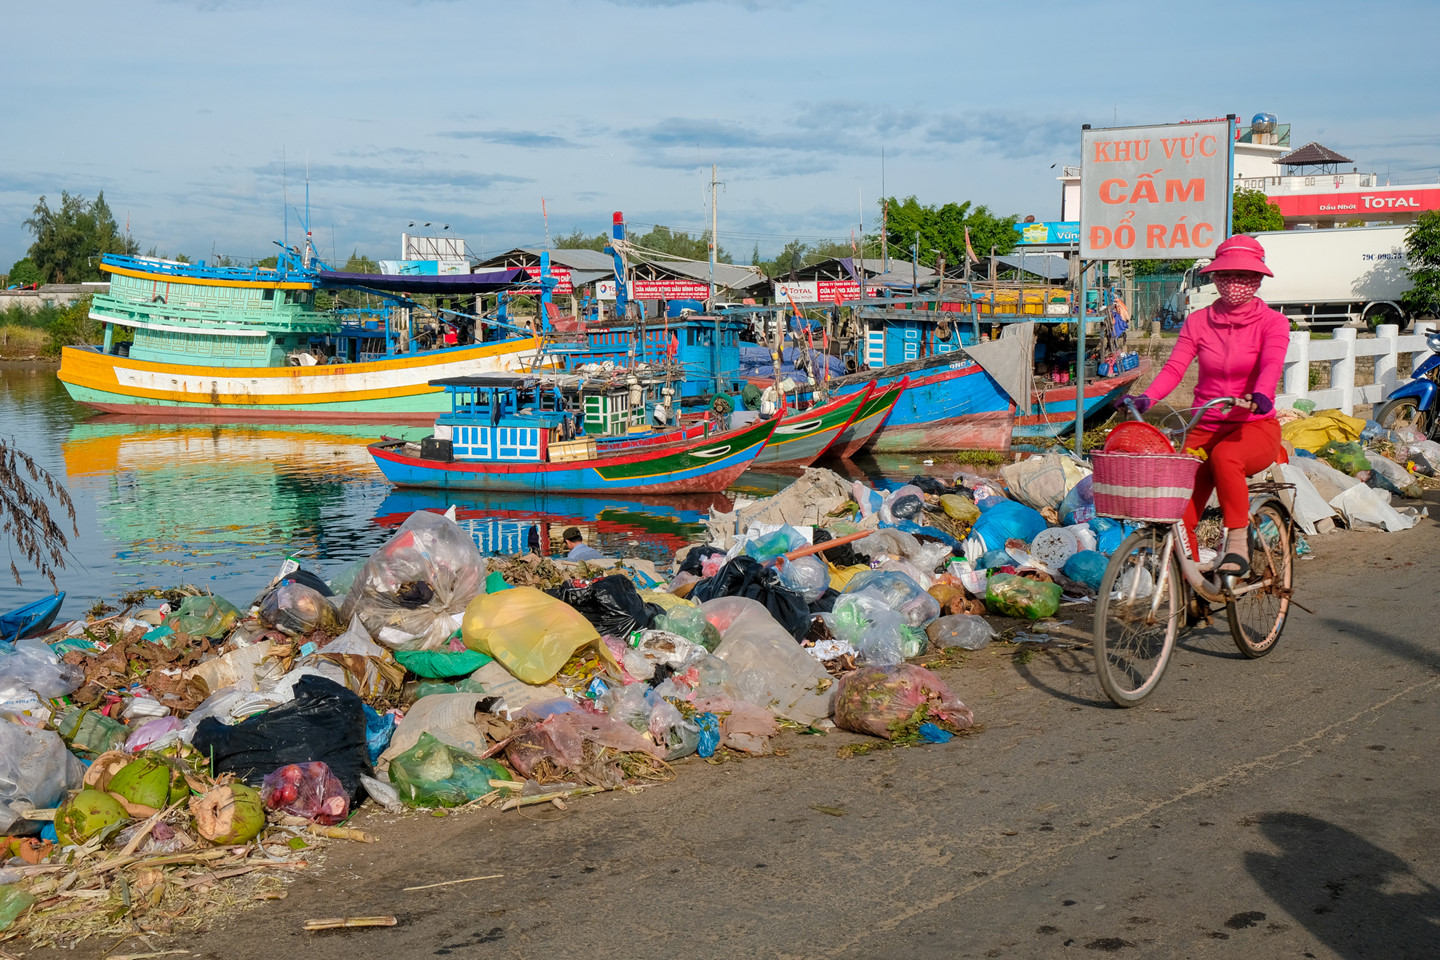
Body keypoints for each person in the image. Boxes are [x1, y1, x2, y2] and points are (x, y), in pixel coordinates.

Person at [1116, 234, 1289, 577]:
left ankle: (1237, 538)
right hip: (1203, 426)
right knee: (1178, 507)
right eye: (1226, 275)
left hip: (1253, 426)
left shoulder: (1273, 323)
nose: (1234, 283)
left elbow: (1271, 364)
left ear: (1257, 279)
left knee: (1227, 457)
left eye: (1244, 276)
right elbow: (1175, 368)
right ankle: (1190, 586)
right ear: (1215, 277)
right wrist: (1146, 397)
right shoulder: (1197, 322)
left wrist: (1262, 395)